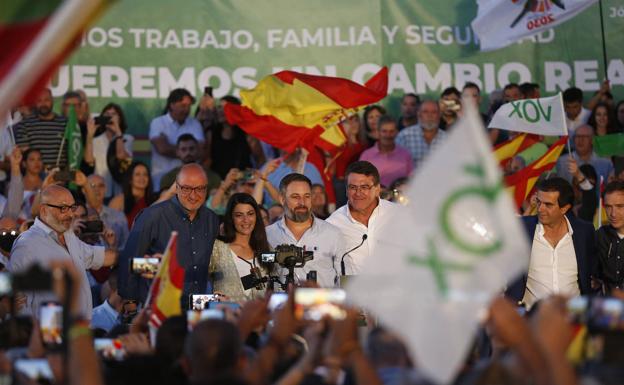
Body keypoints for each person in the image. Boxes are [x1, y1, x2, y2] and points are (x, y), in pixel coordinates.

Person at [8, 185, 118, 318]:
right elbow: (18, 304)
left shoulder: (68, 236)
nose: (71, 214)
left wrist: (138, 257)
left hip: (79, 332)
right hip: (50, 334)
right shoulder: (27, 245)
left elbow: (100, 257)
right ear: (44, 211)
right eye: (63, 208)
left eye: (72, 208)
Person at [118, 163, 220, 305]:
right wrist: (156, 266)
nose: (193, 195)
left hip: (198, 306)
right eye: (186, 189)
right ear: (176, 187)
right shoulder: (152, 216)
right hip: (160, 307)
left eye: (200, 189)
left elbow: (211, 267)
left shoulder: (212, 220)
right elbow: (130, 263)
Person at [505, 178, 597, 308]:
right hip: (532, 320)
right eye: (539, 202)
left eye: (548, 205)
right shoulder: (521, 228)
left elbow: (592, 271)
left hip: (573, 320)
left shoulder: (584, 232)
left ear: (564, 208)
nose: (540, 209)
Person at [265, 173, 345, 287]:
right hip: (281, 304)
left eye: (307, 196)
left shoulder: (333, 234)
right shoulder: (267, 235)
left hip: (322, 303)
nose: (302, 202)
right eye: (295, 197)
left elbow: (344, 278)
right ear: (282, 199)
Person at [327, 161, 397, 275]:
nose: (358, 193)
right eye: (353, 187)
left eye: (364, 187)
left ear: (377, 189)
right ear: (346, 190)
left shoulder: (398, 215)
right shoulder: (333, 224)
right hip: (353, 291)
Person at [209, 193, 273, 302]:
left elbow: (275, 284)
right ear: (231, 218)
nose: (246, 220)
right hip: (226, 316)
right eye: (239, 215)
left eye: (250, 214)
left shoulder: (266, 249)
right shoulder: (217, 247)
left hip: (259, 317)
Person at [149, 88, 205, 188]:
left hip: (190, 181)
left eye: (189, 106)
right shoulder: (158, 123)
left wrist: (171, 146)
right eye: (183, 106)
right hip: (162, 178)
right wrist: (190, 150)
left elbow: (200, 151)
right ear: (172, 105)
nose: (187, 110)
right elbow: (162, 149)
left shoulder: (195, 123)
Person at [85, 103, 134, 199]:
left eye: (114, 114)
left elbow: (121, 156)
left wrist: (118, 132)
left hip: (119, 191)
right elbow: (88, 160)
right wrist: (90, 135)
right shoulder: (96, 141)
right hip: (99, 190)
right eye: (107, 114)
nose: (110, 117)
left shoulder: (128, 138)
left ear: (120, 118)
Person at [14, 88, 68, 169]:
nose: (43, 104)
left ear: (53, 100)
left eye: (46, 100)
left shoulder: (65, 123)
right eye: (39, 100)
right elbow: (24, 153)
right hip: (34, 176)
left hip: (61, 176)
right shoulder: (25, 124)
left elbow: (72, 152)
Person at [359, 115, 412, 188]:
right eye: (384, 131)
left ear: (396, 132)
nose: (388, 135)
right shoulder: (367, 156)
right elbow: (359, 181)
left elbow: (412, 180)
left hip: (400, 197)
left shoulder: (405, 155)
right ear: (378, 132)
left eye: (391, 131)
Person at [395, 100, 447, 169]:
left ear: (439, 115)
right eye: (425, 112)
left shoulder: (448, 139)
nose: (429, 115)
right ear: (419, 114)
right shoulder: (404, 136)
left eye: (434, 112)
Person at [109, 161, 157, 229]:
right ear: (130, 179)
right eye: (137, 174)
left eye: (145, 174)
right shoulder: (118, 201)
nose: (142, 178)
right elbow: (111, 227)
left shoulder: (154, 200)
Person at [87, 174, 129, 251]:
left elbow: (126, 245)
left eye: (101, 186)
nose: (97, 189)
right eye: (92, 186)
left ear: (106, 189)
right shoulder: (77, 215)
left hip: (114, 260)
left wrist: (112, 245)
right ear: (84, 190)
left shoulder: (118, 216)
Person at [596, 181, 624, 293]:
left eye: (619, 206)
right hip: (607, 307)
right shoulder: (599, 236)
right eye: (608, 207)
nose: (613, 213)